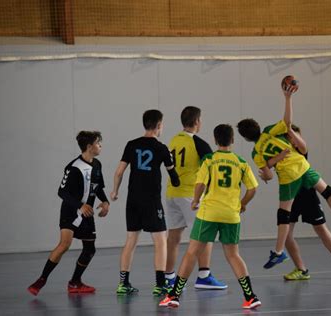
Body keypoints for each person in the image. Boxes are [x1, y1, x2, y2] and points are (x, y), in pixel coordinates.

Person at [237, 81, 331, 270]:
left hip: (290, 179)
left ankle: (278, 253)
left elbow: (268, 176)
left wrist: (270, 164)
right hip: (303, 167)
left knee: (284, 216)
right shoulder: (273, 132)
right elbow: (288, 126)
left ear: (246, 138)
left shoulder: (256, 153)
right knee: (327, 190)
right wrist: (288, 99)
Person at [159, 124, 261, 309]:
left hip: (209, 213)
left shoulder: (209, 160)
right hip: (231, 214)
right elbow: (253, 188)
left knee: (192, 252)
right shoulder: (241, 162)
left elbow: (200, 184)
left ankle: (174, 295)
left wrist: (195, 200)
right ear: (232, 140)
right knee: (233, 255)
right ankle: (250, 296)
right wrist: (242, 203)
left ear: (215, 140)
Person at [265, 125, 331, 280]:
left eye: (298, 138)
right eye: (292, 138)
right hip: (290, 198)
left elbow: (302, 147)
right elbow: (268, 169)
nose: (296, 141)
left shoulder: (301, 152)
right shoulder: (282, 154)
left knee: (321, 229)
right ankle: (301, 269)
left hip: (307, 196)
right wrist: (266, 173)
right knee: (286, 235)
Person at [27, 131, 110, 296]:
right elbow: (62, 192)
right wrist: (80, 205)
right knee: (64, 245)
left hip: (87, 213)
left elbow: (98, 187)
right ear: (89, 146)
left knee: (90, 249)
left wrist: (105, 201)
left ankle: (75, 283)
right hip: (71, 211)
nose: (101, 145)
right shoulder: (74, 167)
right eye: (98, 143)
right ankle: (41, 280)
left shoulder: (98, 165)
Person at [110, 109, 180, 296]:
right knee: (160, 240)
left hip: (132, 199)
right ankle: (160, 284)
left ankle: (123, 284)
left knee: (131, 240)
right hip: (151, 200)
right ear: (158, 126)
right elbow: (174, 178)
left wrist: (115, 191)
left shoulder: (131, 144)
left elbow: (119, 172)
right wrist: (173, 170)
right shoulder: (161, 148)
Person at [165, 106, 227, 290]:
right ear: (197, 122)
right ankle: (204, 275)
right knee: (205, 235)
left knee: (174, 236)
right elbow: (213, 167)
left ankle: (169, 277)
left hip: (172, 193)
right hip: (190, 195)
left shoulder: (173, 140)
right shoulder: (198, 143)